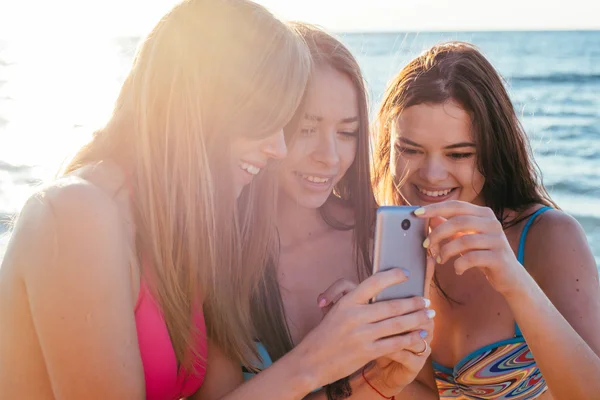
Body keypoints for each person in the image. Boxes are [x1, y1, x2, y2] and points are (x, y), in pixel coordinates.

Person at [0, 0, 311, 398]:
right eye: (267, 117)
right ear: (203, 102)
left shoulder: (181, 226)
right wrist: (313, 362)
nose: (279, 148)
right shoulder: (78, 214)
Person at [202, 23, 437, 400]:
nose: (329, 157)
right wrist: (327, 357)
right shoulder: (219, 253)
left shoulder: (381, 245)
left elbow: (421, 395)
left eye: (347, 133)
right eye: (307, 129)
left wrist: (378, 374)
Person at [371, 41, 600, 399]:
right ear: (388, 147)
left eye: (458, 153)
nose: (432, 174)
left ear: (494, 150)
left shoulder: (548, 237)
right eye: (410, 150)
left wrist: (514, 280)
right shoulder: (379, 248)